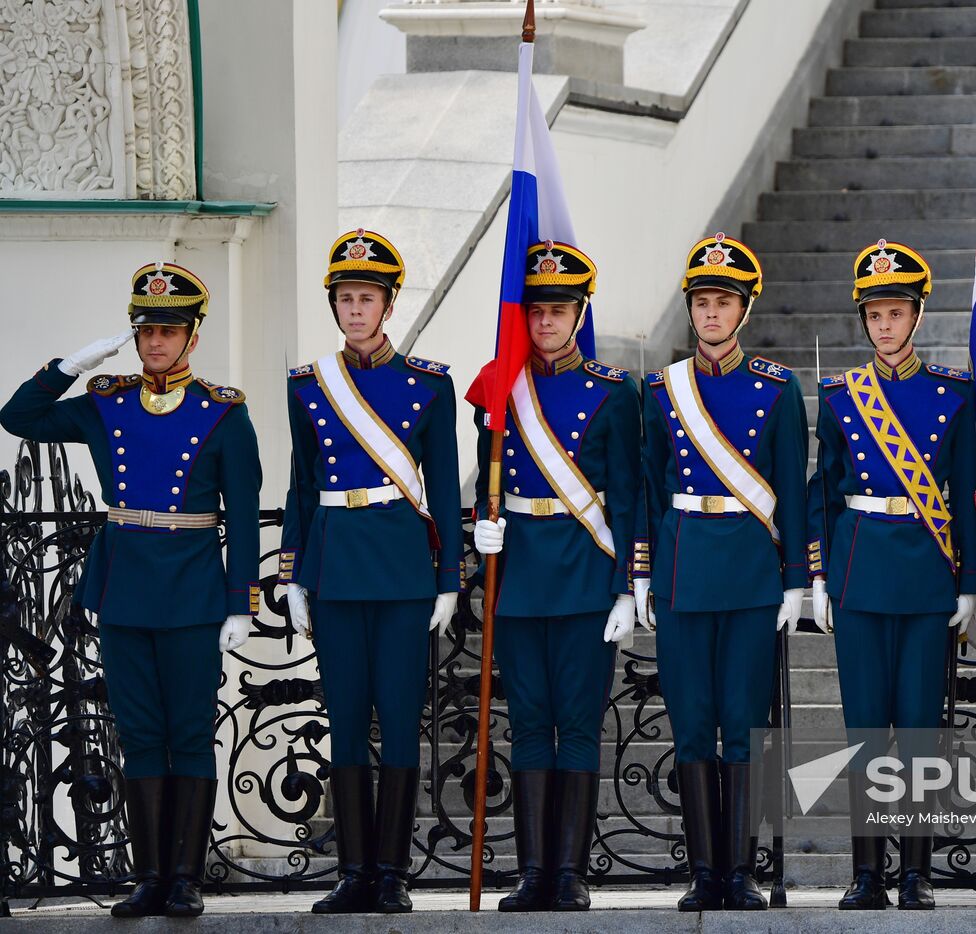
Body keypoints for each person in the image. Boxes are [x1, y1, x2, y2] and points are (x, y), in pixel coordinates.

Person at [0, 262, 260, 917]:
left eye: (169, 331)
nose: (155, 343)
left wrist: (240, 603)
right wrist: (67, 365)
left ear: (193, 337)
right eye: (145, 331)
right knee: (140, 734)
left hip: (195, 592)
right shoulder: (105, 402)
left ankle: (185, 878)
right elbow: (18, 417)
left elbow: (245, 515)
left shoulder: (224, 414)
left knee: (190, 734)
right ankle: (149, 877)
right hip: (124, 591)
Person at [806, 240, 976, 909]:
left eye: (896, 312)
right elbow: (825, 492)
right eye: (875, 314)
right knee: (866, 728)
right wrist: (819, 573)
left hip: (926, 576)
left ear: (917, 315)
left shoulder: (952, 394)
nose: (885, 325)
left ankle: (917, 873)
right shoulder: (839, 397)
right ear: (863, 320)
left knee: (921, 729)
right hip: (861, 571)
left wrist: (965, 586)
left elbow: (962, 493)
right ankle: (867, 874)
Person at [279, 229, 464, 914]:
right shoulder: (308, 386)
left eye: (367, 298)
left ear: (388, 306)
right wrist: (292, 573)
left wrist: (449, 579)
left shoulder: (429, 386)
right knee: (347, 721)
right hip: (334, 569)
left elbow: (443, 490)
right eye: (346, 298)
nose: (355, 310)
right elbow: (301, 487)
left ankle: (393, 873)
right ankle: (352, 872)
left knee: (399, 718)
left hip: (401, 571)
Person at [466, 241, 643, 912]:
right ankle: (531, 871)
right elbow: (485, 472)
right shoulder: (501, 384)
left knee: (578, 722)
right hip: (521, 576)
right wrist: (482, 531)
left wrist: (629, 583)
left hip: (584, 575)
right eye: (536, 311)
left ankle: (569, 872)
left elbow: (625, 495)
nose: (545, 323)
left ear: (579, 314)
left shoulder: (613, 393)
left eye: (559, 311)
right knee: (530, 723)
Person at [638, 233, 808, 911]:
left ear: (744, 310)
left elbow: (792, 490)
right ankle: (703, 872)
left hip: (747, 575)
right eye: (702, 301)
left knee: (740, 724)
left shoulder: (776, 387)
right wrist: (643, 577)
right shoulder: (661, 391)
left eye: (723, 302)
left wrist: (797, 578)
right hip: (682, 572)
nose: (711, 314)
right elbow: (650, 489)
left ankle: (739, 872)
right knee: (690, 724)